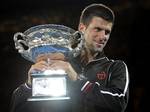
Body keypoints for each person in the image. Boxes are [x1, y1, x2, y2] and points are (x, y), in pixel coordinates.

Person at [10, 3, 129, 112]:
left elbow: (119, 103)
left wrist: (77, 80)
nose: (103, 37)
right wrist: (29, 85)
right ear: (82, 28)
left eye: (107, 32)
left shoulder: (115, 67)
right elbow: (16, 108)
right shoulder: (59, 65)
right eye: (97, 29)